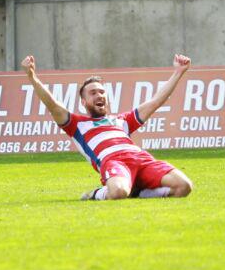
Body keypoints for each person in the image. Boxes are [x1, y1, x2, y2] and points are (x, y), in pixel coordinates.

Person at [22, 53, 194, 200]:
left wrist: (178, 72)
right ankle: (96, 194)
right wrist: (32, 76)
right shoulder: (77, 125)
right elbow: (53, 105)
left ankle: (137, 191)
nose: (99, 95)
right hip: (114, 161)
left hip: (142, 159)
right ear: (84, 102)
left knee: (184, 187)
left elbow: (156, 101)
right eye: (93, 93)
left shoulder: (122, 120)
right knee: (118, 192)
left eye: (102, 92)